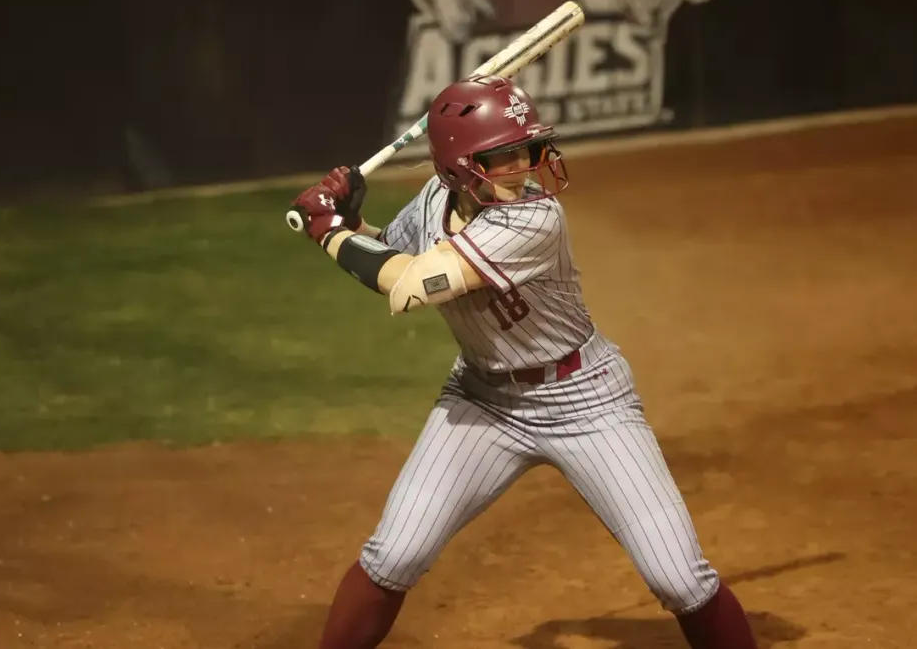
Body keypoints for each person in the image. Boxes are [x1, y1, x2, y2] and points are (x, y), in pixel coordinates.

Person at [288, 74, 758, 649]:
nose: (523, 167)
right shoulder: (435, 202)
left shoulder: (535, 219)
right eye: (502, 156)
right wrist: (354, 224)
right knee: (394, 553)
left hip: (586, 400)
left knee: (679, 578)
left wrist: (328, 231)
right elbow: (395, 254)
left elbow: (408, 287)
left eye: (526, 151)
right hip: (483, 401)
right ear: (456, 171)